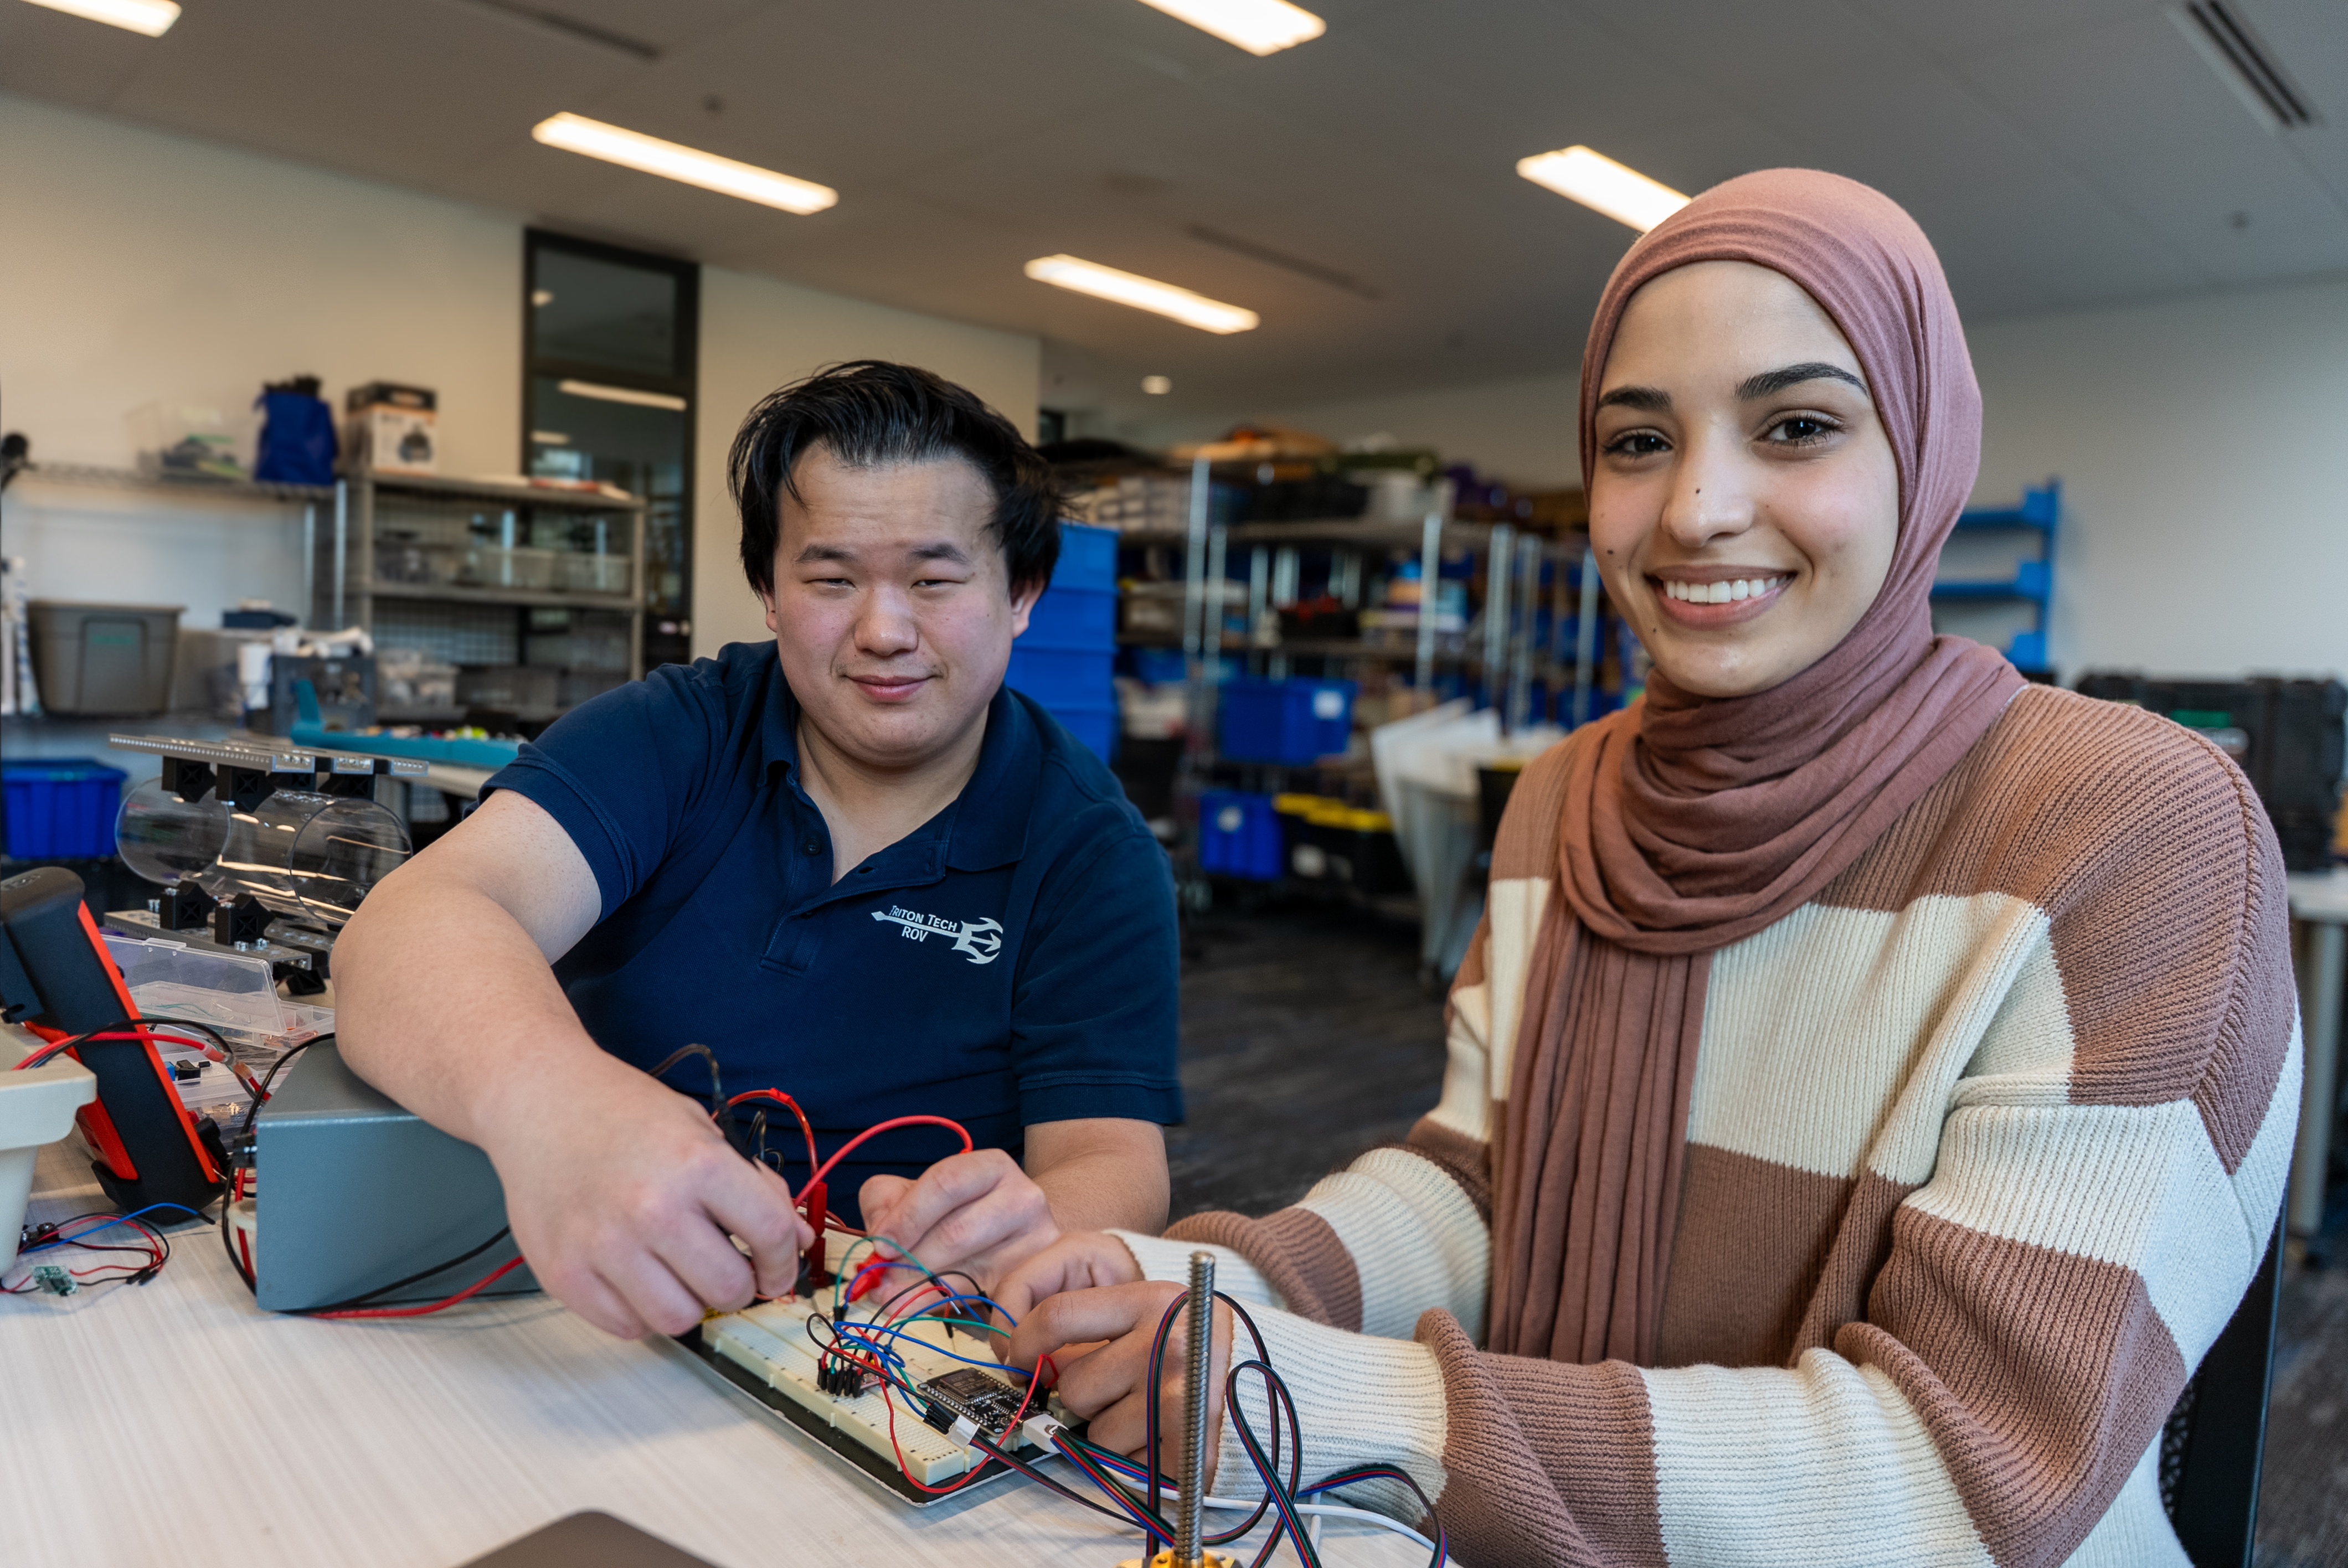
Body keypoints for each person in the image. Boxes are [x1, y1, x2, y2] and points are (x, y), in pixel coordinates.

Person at [1001, 171, 2301, 1566]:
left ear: (1925, 450)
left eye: (1796, 426)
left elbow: (1963, 1479)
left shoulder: (2132, 830)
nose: (1694, 507)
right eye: (1636, 440)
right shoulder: (1568, 797)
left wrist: (1321, 1398)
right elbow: (1481, 1189)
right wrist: (1191, 1284)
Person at [337, 362, 1182, 1341]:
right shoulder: (678, 734)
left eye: (933, 580)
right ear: (771, 594)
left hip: (890, 1340)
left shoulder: (1092, 852)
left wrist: (1038, 1232)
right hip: (596, 1295)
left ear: (1021, 591)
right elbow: (416, 922)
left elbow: (1113, 1159)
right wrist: (556, 1108)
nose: (884, 631)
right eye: (831, 580)